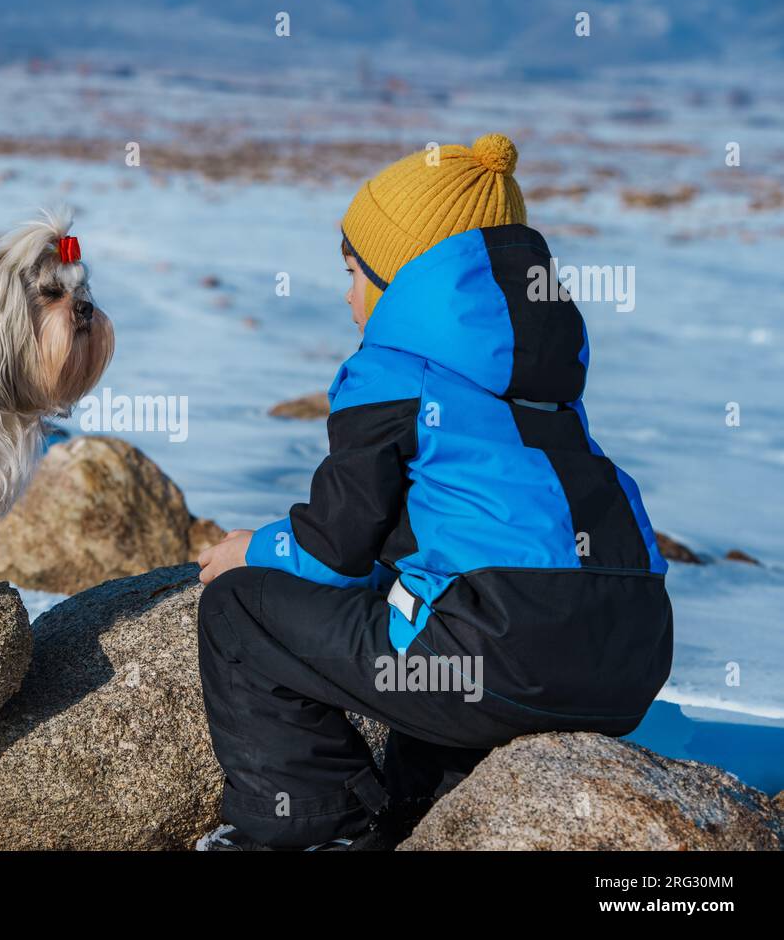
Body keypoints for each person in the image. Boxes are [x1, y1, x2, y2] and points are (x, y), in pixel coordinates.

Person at [194, 134, 673, 851]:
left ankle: (309, 828)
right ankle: (427, 811)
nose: (347, 295)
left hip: (502, 648)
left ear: (400, 279)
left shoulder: (392, 370)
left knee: (241, 614)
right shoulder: (540, 376)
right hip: (632, 655)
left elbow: (333, 550)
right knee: (425, 604)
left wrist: (252, 551)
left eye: (354, 272)